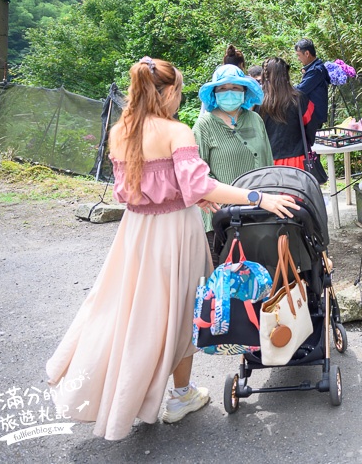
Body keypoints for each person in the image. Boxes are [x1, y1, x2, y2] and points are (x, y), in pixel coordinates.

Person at [46, 57, 298, 440]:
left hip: (135, 234)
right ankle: (179, 395)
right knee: (183, 312)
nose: (180, 99)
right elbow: (199, 185)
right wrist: (257, 196)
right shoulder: (175, 130)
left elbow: (145, 184)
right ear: (165, 93)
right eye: (178, 92)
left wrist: (191, 197)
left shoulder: (121, 129)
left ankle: (125, 396)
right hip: (174, 234)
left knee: (129, 312)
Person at [193, 64, 273, 249]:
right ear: (214, 93)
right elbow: (199, 173)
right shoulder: (204, 125)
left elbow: (268, 162)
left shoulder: (255, 119)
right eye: (223, 88)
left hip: (259, 211)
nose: (229, 92)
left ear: (244, 91)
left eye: (235, 88)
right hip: (222, 217)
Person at [260, 56, 312, 169]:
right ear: (286, 74)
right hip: (296, 159)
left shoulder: (256, 100)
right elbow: (309, 123)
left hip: (266, 162)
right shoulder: (299, 98)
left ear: (265, 75)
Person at [294, 38, 330, 146]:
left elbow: (301, 90)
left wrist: (285, 89)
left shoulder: (316, 70)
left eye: (299, 55)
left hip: (314, 115)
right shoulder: (314, 68)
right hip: (312, 114)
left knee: (311, 148)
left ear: (307, 53)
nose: (298, 59)